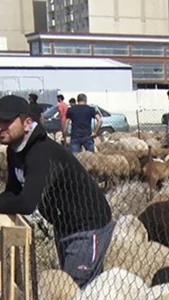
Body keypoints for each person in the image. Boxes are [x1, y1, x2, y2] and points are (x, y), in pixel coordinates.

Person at [0, 95, 114, 289]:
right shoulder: (15, 150)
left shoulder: (40, 152)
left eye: (7, 121)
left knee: (77, 288)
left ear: (27, 123)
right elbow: (13, 190)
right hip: (64, 225)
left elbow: (27, 202)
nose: (1, 127)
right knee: (68, 285)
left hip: (87, 226)